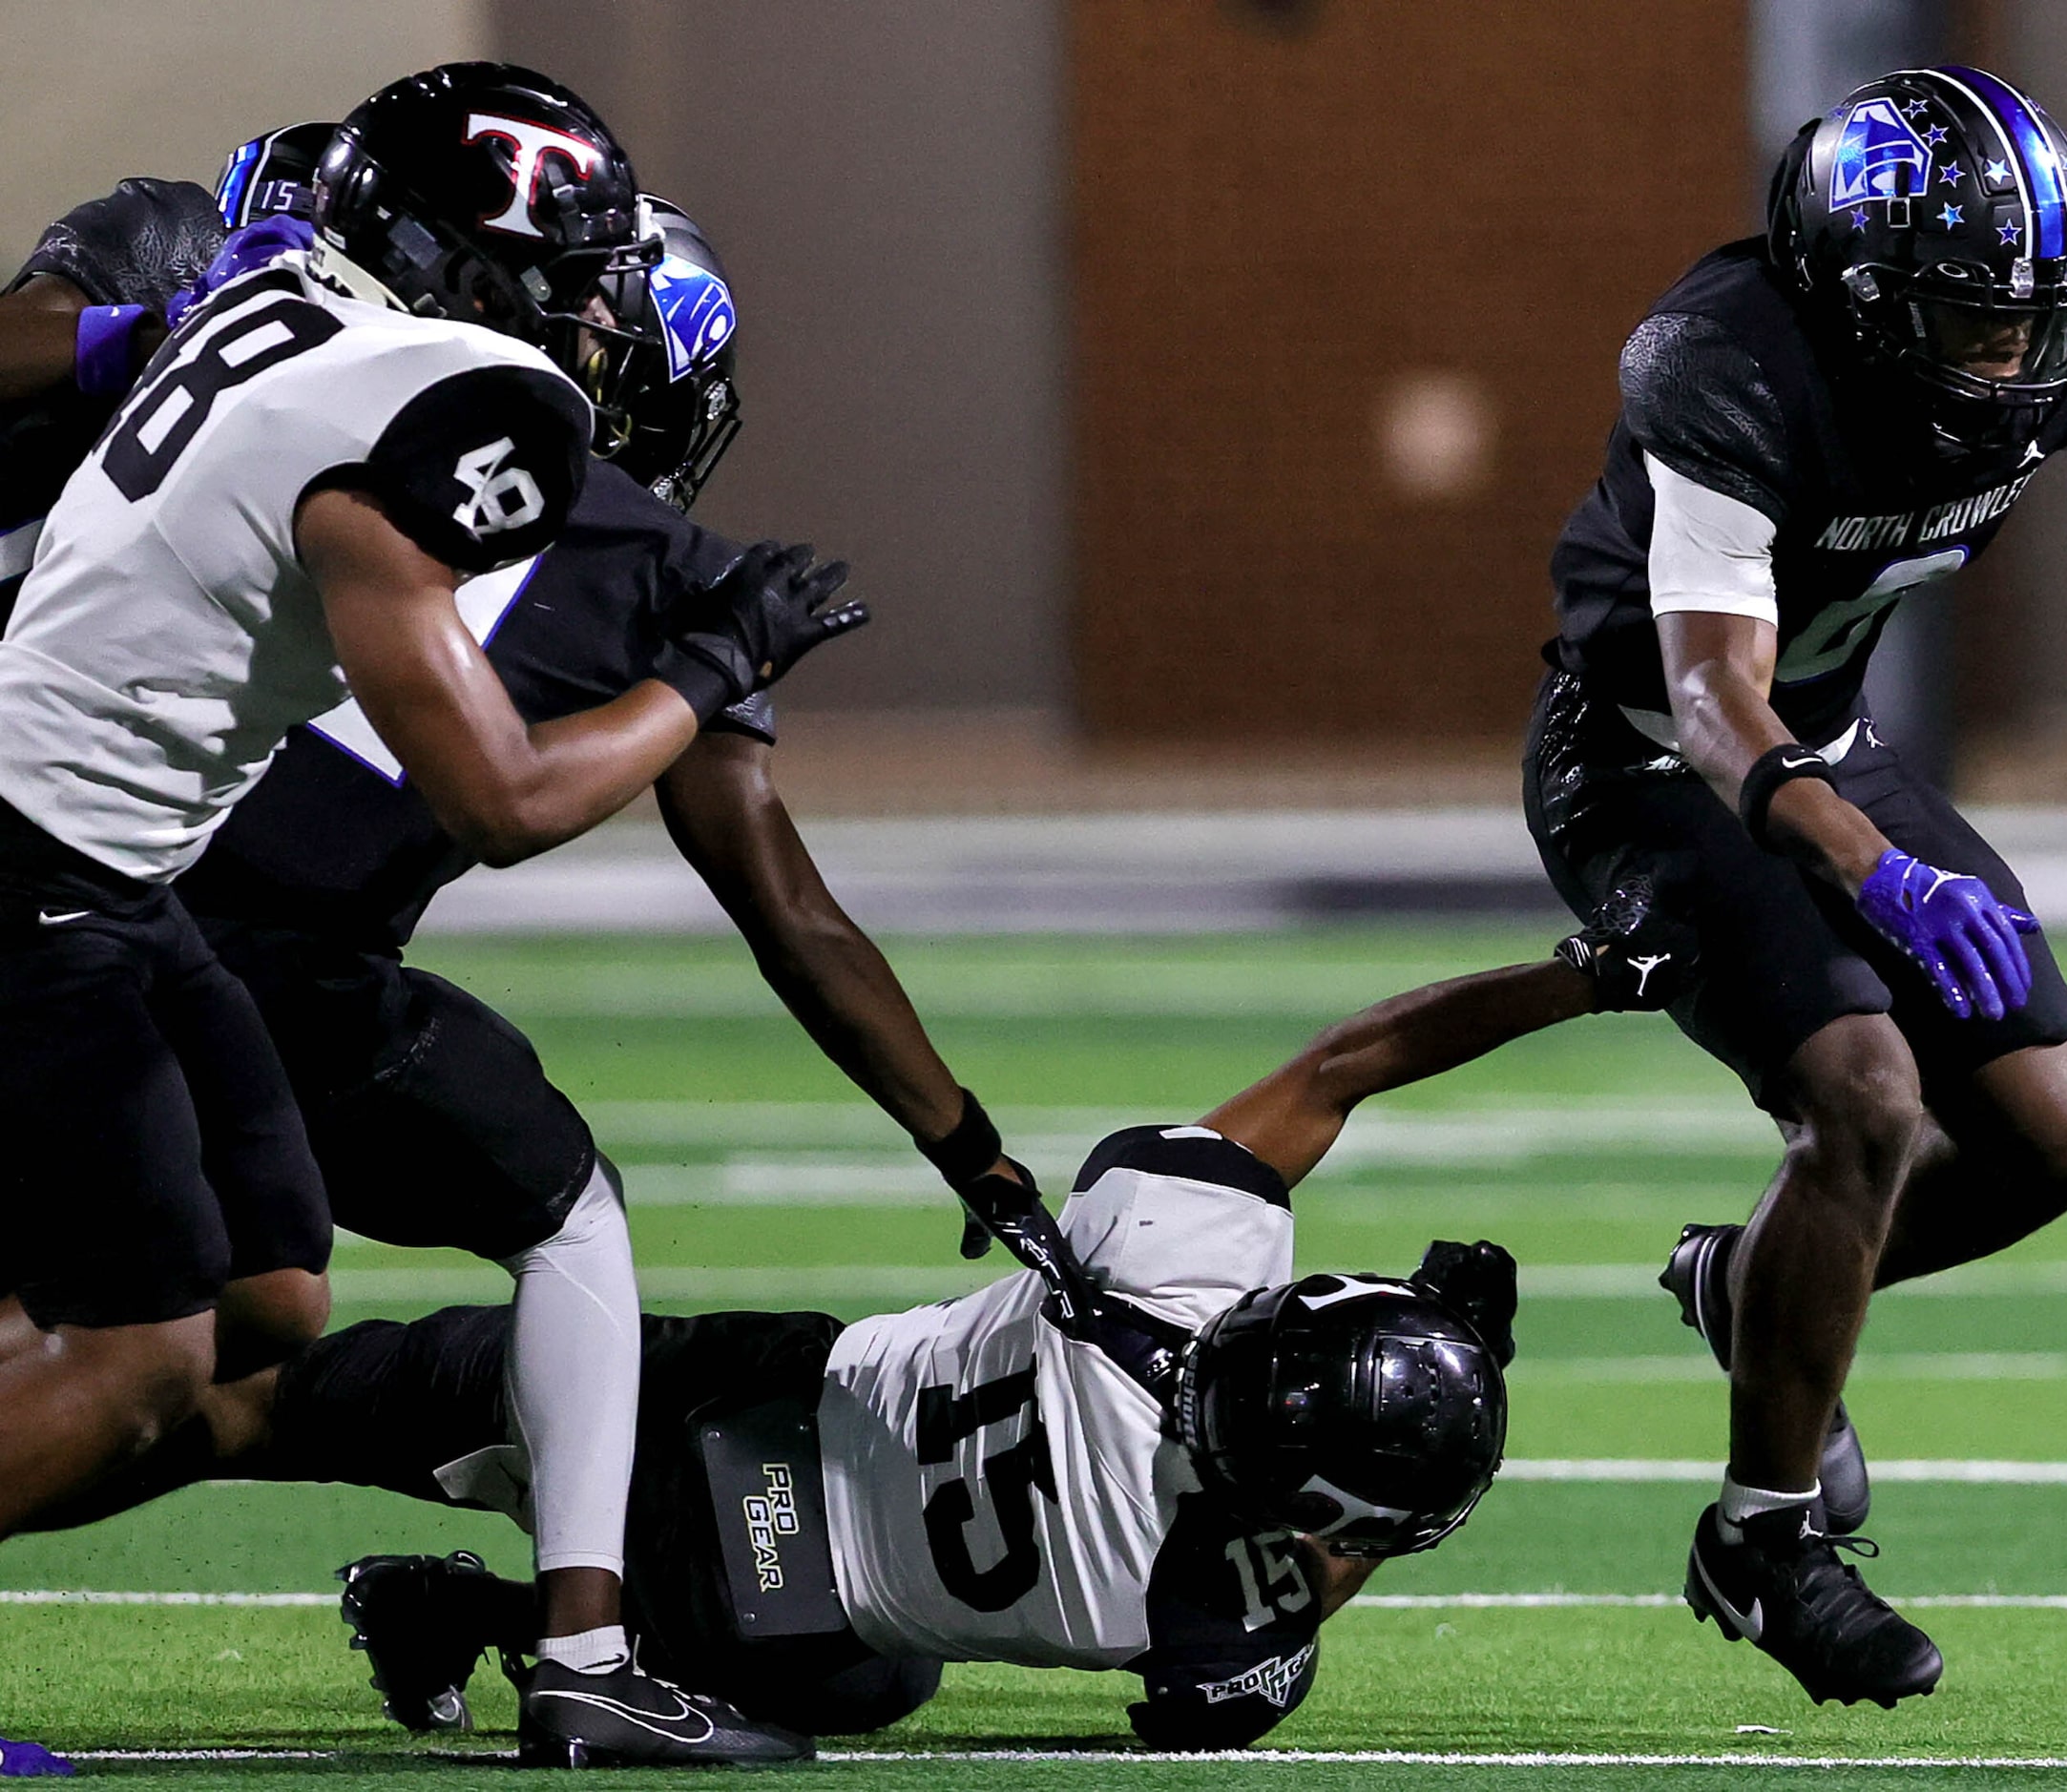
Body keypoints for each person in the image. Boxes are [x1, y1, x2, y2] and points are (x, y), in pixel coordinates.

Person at [0, 61, 859, 1766]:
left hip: (122, 867)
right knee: (142, 1352)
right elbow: (504, 802)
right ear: (467, 272)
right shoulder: (428, 389)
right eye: (571, 280)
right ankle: (584, 1653)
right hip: (43, 870)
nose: (595, 325)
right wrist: (717, 661)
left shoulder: (274, 306)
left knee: (271, 1301)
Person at [1525, 66, 2067, 1708]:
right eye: (1973, 325)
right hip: (1651, 772)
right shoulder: (1727, 371)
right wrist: (1876, 870)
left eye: (2034, 321)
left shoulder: (2040, 337)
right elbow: (1706, 700)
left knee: (2056, 1134)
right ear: (1858, 292)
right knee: (1865, 1091)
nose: (2015, 361)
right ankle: (1761, 1538)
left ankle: (1740, 1283)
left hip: (1826, 737)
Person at [179, 933, 1671, 1755]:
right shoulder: (1183, 1597)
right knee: (879, 1682)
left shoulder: (1166, 1245)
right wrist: (1388, 1494)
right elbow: (1225, 1679)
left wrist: (1575, 976)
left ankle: (99, 1394)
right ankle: (478, 1618)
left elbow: (1354, 1062)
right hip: (757, 1608)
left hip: (726, 1384)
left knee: (243, 1406)